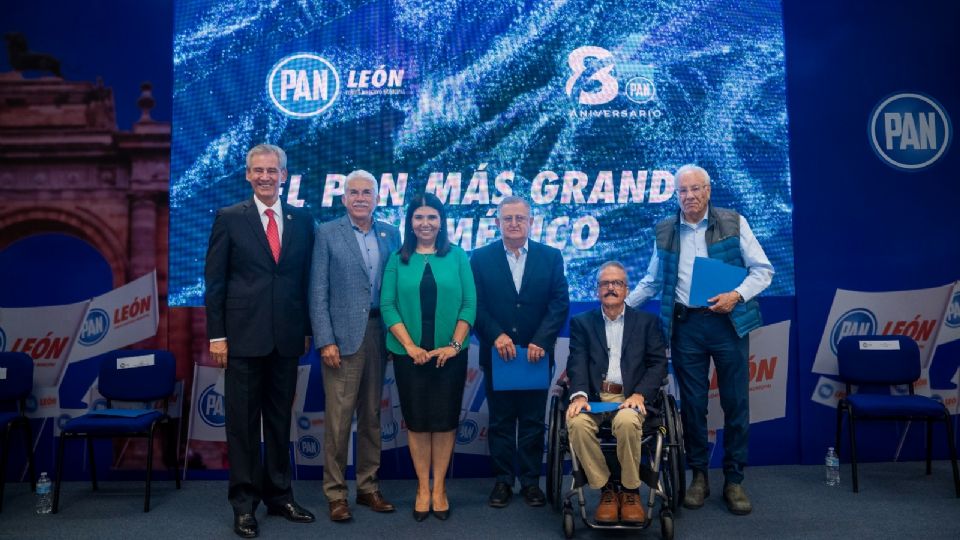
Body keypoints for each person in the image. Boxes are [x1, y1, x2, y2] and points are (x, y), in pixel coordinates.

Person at [626, 164, 774, 515]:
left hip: (727, 324)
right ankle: (699, 477)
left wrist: (736, 295)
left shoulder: (733, 222)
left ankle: (734, 480)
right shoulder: (664, 230)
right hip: (685, 326)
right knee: (692, 406)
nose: (689, 196)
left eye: (695, 189)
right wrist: (619, 307)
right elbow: (651, 280)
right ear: (676, 195)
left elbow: (763, 270)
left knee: (736, 403)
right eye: (682, 191)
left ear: (708, 190)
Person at [204, 144, 316, 538]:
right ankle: (245, 504)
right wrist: (217, 336)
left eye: (273, 170)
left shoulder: (302, 221)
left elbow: (303, 282)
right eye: (259, 170)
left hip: (287, 340)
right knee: (243, 427)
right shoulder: (230, 218)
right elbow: (215, 283)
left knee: (281, 422)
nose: (266, 177)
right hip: (242, 340)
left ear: (284, 175)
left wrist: (305, 330)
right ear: (248, 175)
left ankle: (280, 495)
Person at [309, 170, 400, 522]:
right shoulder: (327, 233)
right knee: (338, 421)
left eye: (367, 192)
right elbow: (318, 292)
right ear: (344, 198)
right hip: (342, 340)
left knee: (373, 417)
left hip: (380, 333)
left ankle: (367, 487)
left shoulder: (390, 233)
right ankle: (335, 493)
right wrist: (325, 339)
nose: (360, 198)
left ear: (377, 198)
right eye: (354, 192)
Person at [380, 192, 476, 522]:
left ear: (441, 221)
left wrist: (453, 344)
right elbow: (388, 305)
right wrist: (408, 346)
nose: (425, 223)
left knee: (445, 422)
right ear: (410, 222)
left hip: (450, 356)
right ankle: (423, 488)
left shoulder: (458, 256)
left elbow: (468, 305)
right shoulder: (398, 258)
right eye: (419, 217)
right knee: (418, 423)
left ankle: (440, 489)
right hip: (410, 356)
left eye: (432, 217)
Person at [470, 196, 569, 508]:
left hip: (536, 357)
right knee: (499, 421)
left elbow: (558, 303)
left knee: (531, 421)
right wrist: (496, 334)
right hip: (497, 355)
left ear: (531, 223)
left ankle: (529, 482)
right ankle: (502, 481)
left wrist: (541, 339)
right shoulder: (480, 258)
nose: (513, 224)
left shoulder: (551, 257)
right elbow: (476, 306)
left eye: (520, 218)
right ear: (497, 223)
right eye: (507, 218)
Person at [565, 261, 668, 525]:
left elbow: (658, 364)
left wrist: (640, 395)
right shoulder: (581, 323)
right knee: (575, 422)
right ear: (597, 289)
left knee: (626, 420)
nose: (611, 288)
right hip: (595, 399)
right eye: (605, 284)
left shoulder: (647, 322)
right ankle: (606, 489)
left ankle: (631, 491)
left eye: (617, 283)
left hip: (632, 398)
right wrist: (578, 395)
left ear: (626, 289)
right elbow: (576, 362)